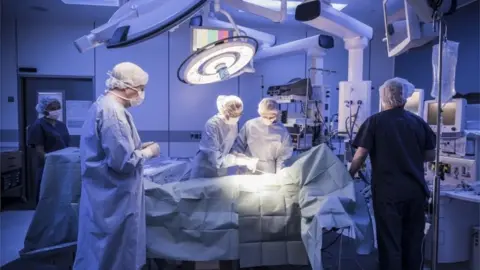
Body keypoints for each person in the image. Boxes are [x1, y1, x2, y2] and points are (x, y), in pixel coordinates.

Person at [74, 62, 160, 270]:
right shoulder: (114, 114)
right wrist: (148, 152)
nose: (141, 94)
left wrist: (137, 146)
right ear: (127, 87)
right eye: (141, 88)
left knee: (100, 252)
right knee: (112, 254)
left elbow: (113, 148)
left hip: (104, 195)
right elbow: (123, 163)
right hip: (114, 199)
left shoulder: (103, 105)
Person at [348, 77, 436, 270]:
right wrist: (408, 155)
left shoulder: (375, 122)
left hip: (388, 194)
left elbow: (360, 154)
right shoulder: (419, 123)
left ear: (383, 97)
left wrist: (348, 176)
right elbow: (430, 156)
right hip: (415, 192)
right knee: (413, 242)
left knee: (390, 242)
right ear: (405, 97)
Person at [190, 95, 257, 179]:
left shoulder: (233, 124)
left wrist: (240, 156)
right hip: (204, 170)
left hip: (221, 171)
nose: (236, 117)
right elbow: (216, 159)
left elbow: (229, 147)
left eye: (239, 114)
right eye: (233, 114)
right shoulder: (212, 125)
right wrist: (237, 160)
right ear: (225, 112)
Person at [232, 98, 293, 174]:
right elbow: (238, 147)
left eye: (271, 117)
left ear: (277, 114)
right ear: (260, 113)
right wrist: (244, 162)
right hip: (248, 169)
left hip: (269, 171)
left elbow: (284, 156)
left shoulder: (282, 131)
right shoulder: (250, 125)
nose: (268, 119)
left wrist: (280, 174)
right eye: (265, 116)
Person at [28, 97, 70, 204]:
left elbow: (66, 144)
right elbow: (39, 149)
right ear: (44, 110)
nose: (56, 110)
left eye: (58, 107)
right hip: (47, 164)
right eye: (53, 108)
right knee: (46, 192)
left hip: (62, 164)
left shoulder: (61, 125)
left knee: (61, 193)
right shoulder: (38, 125)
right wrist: (50, 162)